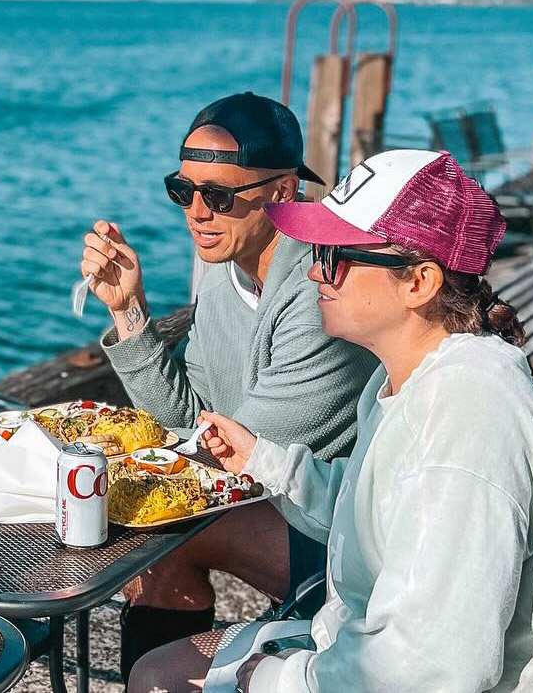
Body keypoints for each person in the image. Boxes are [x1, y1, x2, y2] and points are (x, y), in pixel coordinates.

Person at [129, 149, 533, 692]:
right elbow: (373, 505)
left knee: (165, 680)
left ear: (419, 282)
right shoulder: (408, 375)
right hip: (367, 640)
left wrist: (280, 678)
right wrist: (263, 459)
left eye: (336, 254)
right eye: (316, 249)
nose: (313, 270)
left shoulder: (465, 417)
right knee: (158, 672)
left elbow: (434, 666)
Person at [79, 92, 378, 678]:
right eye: (182, 190)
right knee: (158, 550)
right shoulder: (224, 270)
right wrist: (129, 313)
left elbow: (228, 457)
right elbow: (189, 421)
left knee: (159, 530)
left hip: (353, 537)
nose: (197, 211)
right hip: (281, 497)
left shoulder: (325, 291)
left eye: (218, 195)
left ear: (284, 192)